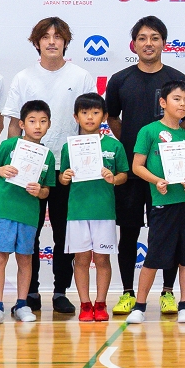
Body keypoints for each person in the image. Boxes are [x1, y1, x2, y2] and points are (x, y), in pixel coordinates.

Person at [106, 15, 185, 318]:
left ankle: (168, 293)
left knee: (170, 233)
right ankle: (128, 293)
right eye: (142, 38)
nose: (149, 43)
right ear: (134, 43)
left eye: (155, 38)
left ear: (164, 43)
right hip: (133, 173)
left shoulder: (177, 79)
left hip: (170, 175)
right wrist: (138, 147)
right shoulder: (119, 80)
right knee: (129, 232)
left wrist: (167, 150)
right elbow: (112, 118)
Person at [2, 17, 91, 316]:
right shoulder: (23, 78)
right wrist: (14, 163)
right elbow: (13, 124)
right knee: (31, 231)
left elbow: (89, 125)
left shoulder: (81, 76)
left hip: (67, 168)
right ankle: (30, 291)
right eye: (46, 36)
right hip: (31, 169)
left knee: (65, 233)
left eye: (58, 36)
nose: (52, 41)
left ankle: (60, 291)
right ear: (36, 42)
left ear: (66, 42)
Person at [126, 78, 185, 326]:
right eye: (177, 99)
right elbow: (137, 166)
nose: (182, 104)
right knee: (154, 257)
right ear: (163, 102)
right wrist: (157, 181)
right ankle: (139, 306)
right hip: (163, 204)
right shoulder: (148, 131)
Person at [0, 100, 58, 324]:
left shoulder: (48, 155)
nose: (38, 126)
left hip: (28, 214)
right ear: (22, 124)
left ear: (49, 125)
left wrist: (39, 191)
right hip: (3, 211)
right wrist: (0, 170)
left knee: (25, 259)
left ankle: (22, 304)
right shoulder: (9, 145)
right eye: (32, 121)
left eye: (43, 121)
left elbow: (47, 190)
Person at [58, 93, 128, 322]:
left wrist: (113, 178)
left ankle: (101, 303)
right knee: (81, 259)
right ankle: (85, 304)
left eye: (96, 113)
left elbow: (123, 175)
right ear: (76, 117)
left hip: (104, 212)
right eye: (85, 113)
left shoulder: (114, 146)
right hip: (77, 212)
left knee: (102, 260)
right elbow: (63, 178)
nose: (90, 117)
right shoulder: (69, 147)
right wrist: (64, 177)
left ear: (105, 116)